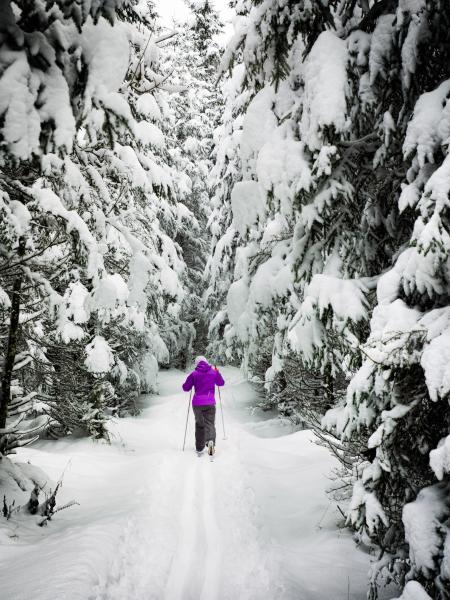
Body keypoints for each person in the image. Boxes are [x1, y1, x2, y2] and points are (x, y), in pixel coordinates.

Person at [182, 356, 225, 456]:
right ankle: (211, 443)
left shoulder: (194, 374)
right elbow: (221, 383)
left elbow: (185, 388)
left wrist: (191, 383)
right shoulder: (213, 372)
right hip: (210, 403)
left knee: (200, 424)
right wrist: (217, 373)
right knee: (210, 423)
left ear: (197, 364)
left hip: (197, 404)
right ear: (206, 362)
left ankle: (200, 447)